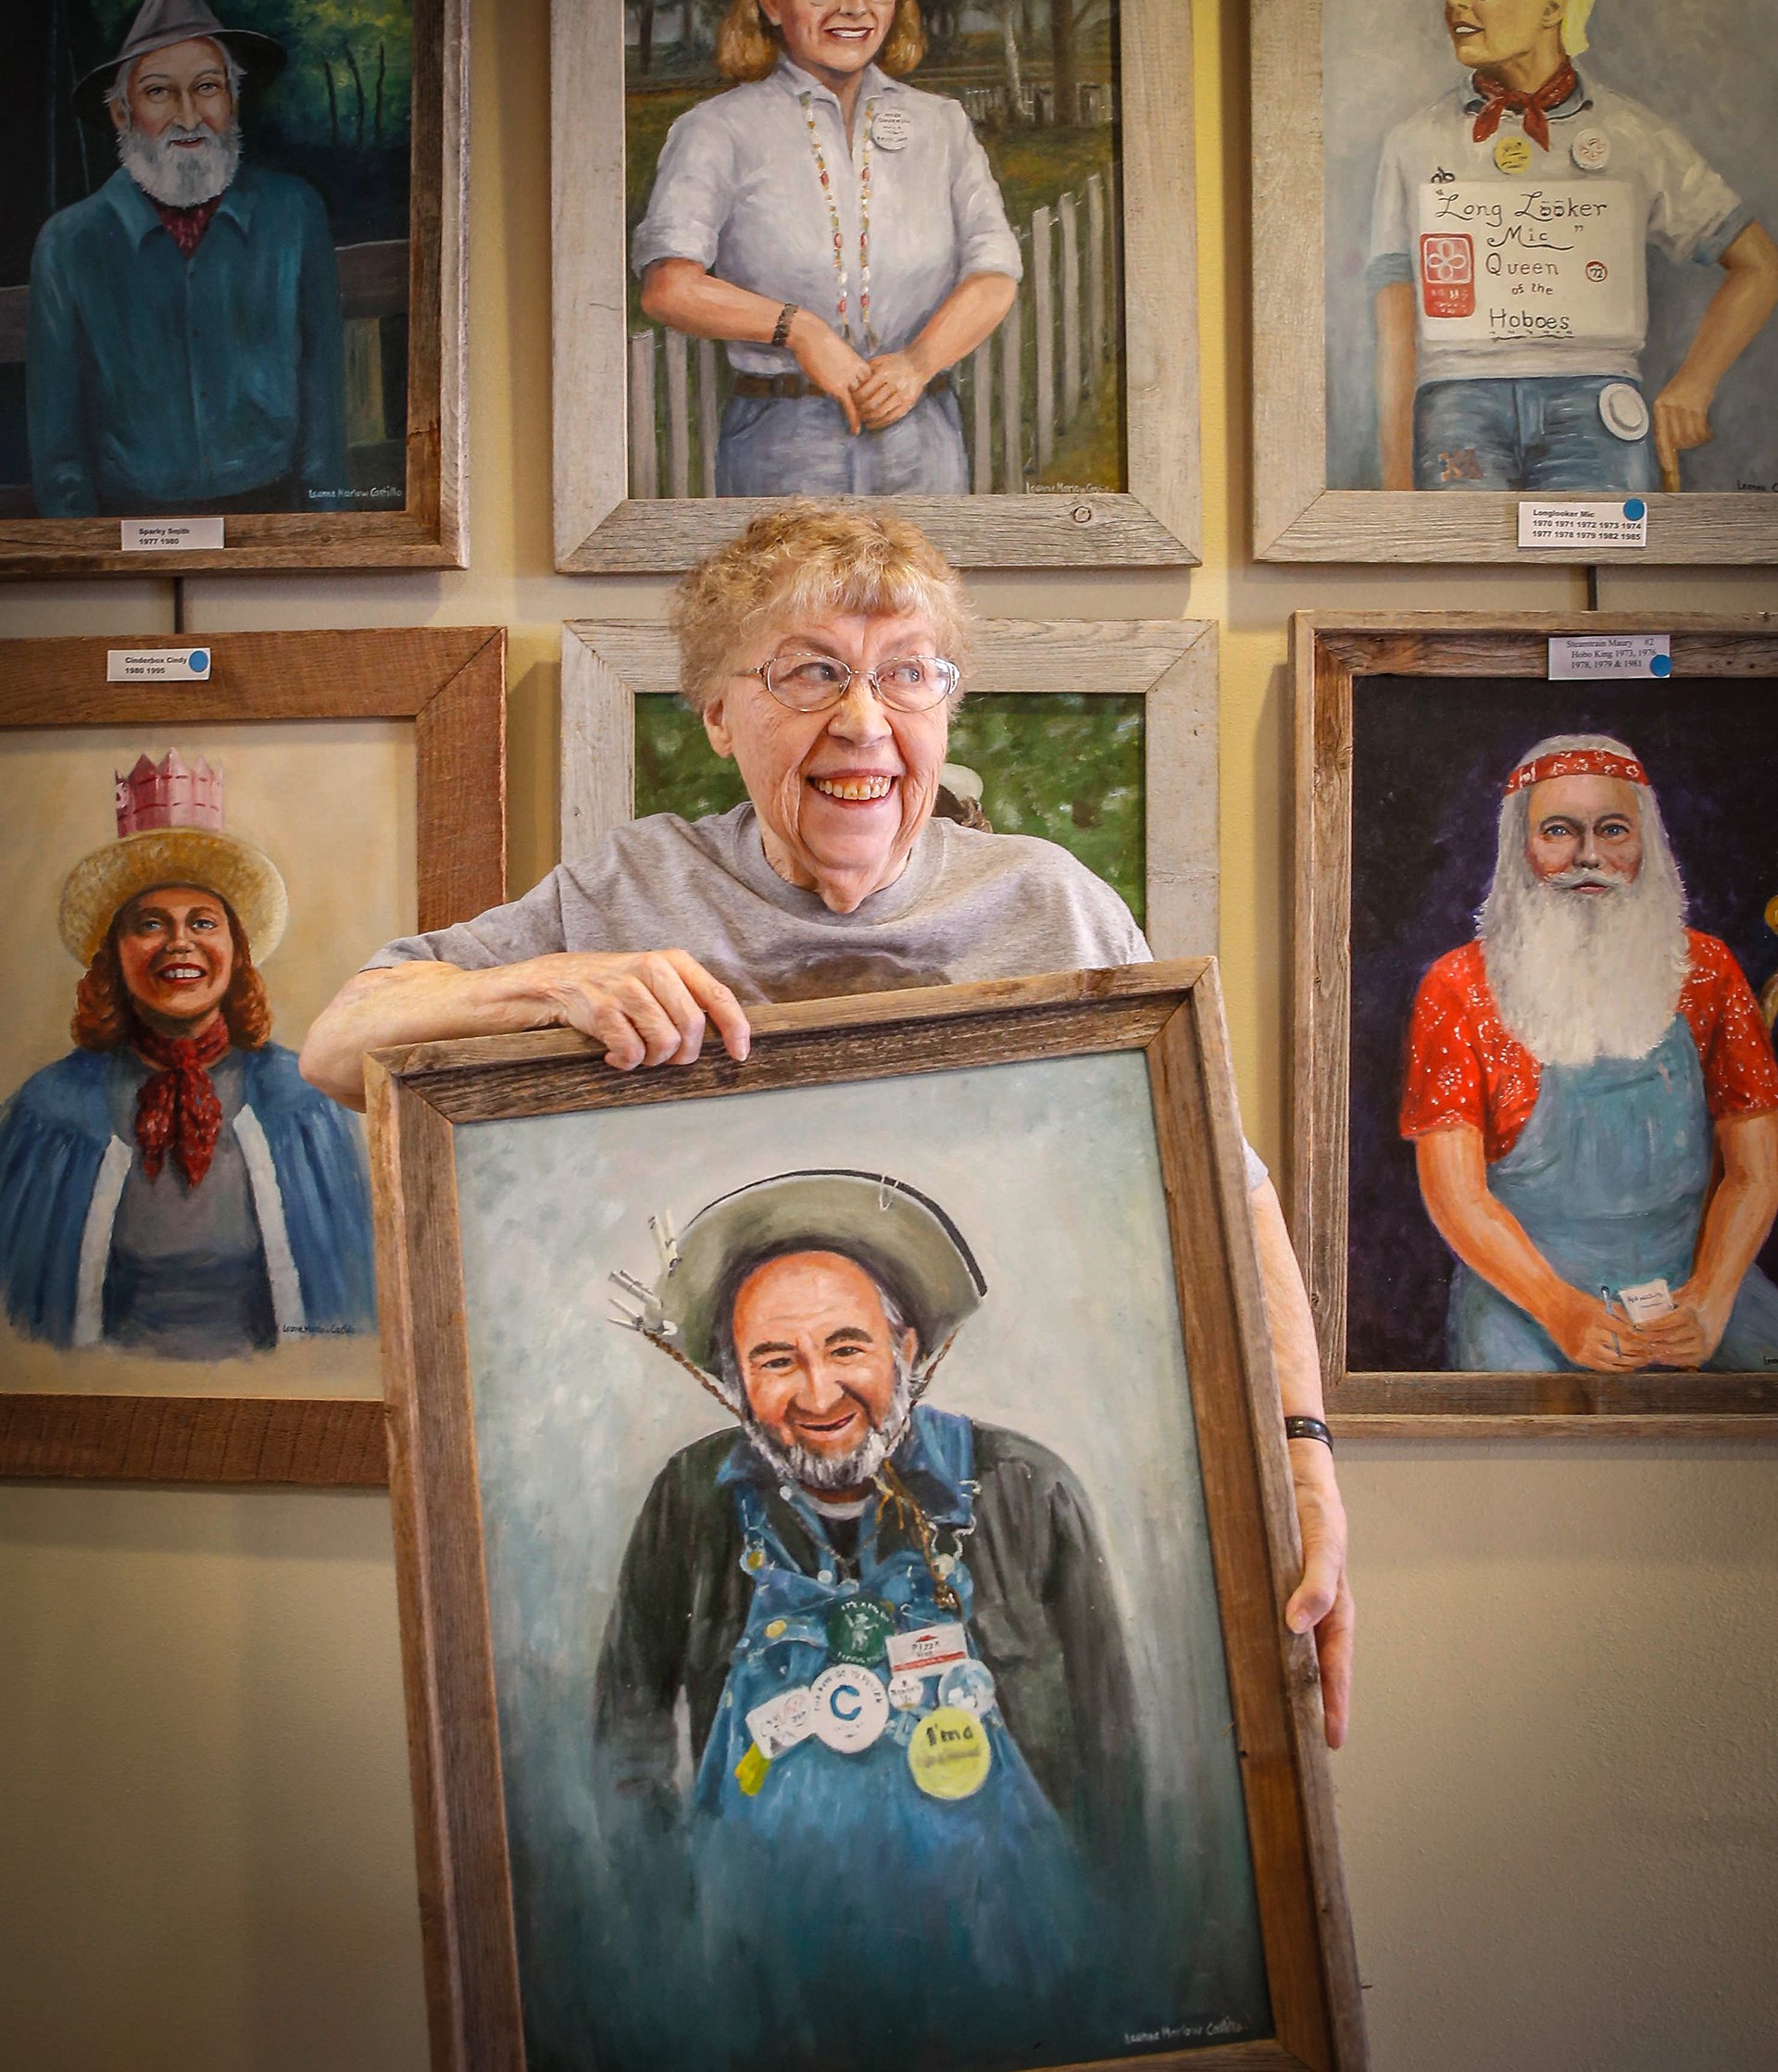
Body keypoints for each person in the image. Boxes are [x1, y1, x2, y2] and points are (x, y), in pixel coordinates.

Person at [304, 500, 1353, 1740]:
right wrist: (550, 982)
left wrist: (1300, 1455)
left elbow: (1231, 1195)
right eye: (809, 672)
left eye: (908, 672)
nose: (864, 719)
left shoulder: (1052, 907)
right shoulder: (632, 888)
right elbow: (339, 1043)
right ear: (717, 712)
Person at [594, 1169, 1143, 2062]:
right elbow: (625, 1737)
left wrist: (1115, 1969)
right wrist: (677, 1936)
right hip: (763, 2004)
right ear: (733, 1378)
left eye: (847, 1347)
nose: (818, 1394)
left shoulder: (1026, 1492)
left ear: (906, 1346)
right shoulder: (689, 1500)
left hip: (1014, 1998)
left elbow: (1115, 1760)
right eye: (776, 1360)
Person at [1368, 0, 1778, 493]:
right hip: (1457, 411)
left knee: (1603, 548)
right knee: (1466, 555)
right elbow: (1396, 318)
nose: (1456, 0)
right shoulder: (1413, 142)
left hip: (1597, 410)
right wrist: (1395, 482)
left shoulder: (1634, 137)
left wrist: (1695, 383)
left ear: (1553, 6)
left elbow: (1760, 265)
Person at [1403, 734, 1778, 1372]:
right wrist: (1561, 1309)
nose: (1588, 857)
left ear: (1646, 844)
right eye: (1558, 831)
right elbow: (1456, 1196)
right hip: (1525, 1300)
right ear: (1520, 847)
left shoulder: (1708, 971)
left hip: (1697, 1289)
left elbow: (1755, 1173)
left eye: (1612, 830)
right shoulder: (1459, 986)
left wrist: (1711, 1298)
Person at [632, 0, 1020, 496]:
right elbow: (668, 287)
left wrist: (916, 364)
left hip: (921, 434)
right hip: (781, 441)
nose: (855, 8)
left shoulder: (940, 124)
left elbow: (995, 271)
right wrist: (801, 330)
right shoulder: (716, 129)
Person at [0, 750, 376, 1356]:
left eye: (203, 923)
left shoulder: (304, 1102)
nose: (179, 943)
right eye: (150, 924)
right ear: (114, 955)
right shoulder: (48, 1109)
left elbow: (354, 1306)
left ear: (236, 952)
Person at [28, 0, 349, 518]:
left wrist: (330, 539)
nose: (187, 117)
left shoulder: (293, 213)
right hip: (129, 530)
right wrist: (86, 557)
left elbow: (324, 407)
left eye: (206, 87)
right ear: (121, 112)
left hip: (272, 518)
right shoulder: (69, 243)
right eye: (158, 91)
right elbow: (59, 458)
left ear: (233, 100)